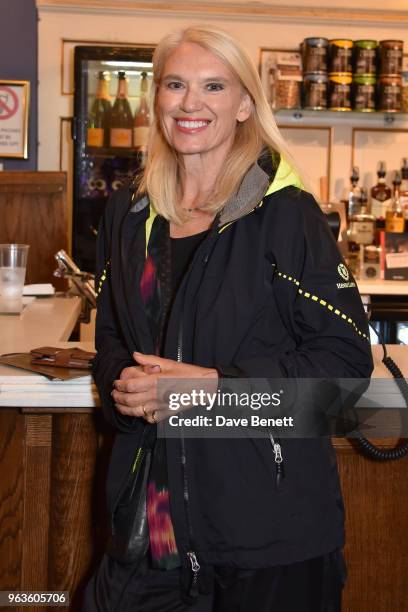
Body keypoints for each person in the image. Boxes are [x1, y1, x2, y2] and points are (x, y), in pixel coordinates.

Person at [84, 25, 373, 612]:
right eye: (175, 85)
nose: (191, 103)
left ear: (244, 104)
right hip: (151, 528)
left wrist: (211, 391)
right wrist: (127, 387)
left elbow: (342, 377)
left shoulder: (286, 217)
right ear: (157, 99)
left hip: (267, 537)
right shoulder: (129, 212)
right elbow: (112, 337)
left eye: (213, 86)